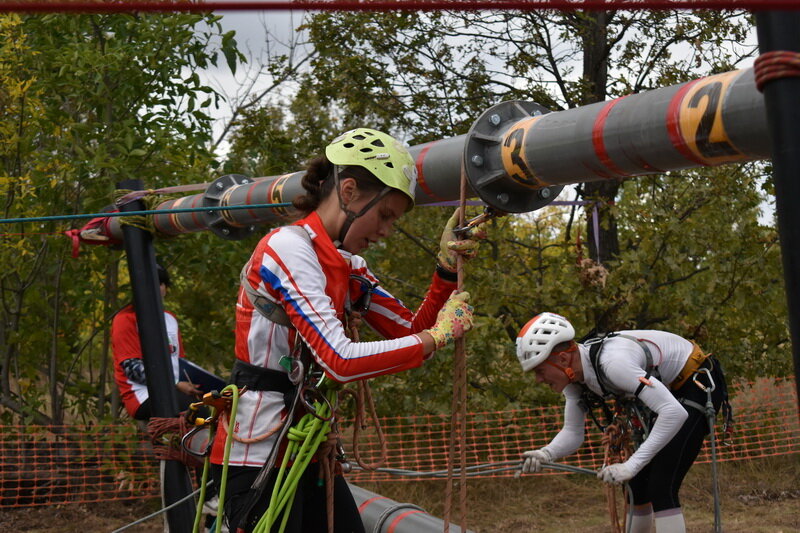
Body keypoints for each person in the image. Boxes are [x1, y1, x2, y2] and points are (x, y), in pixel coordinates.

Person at [209, 128, 480, 533]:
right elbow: (339, 361)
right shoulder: (287, 248)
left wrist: (444, 271)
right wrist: (435, 337)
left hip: (308, 449)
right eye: (385, 215)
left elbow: (409, 329)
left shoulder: (347, 265)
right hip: (258, 453)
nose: (387, 230)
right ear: (349, 191)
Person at [515, 312, 729, 533]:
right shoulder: (573, 380)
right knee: (635, 485)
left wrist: (630, 465)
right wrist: (545, 453)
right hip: (669, 390)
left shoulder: (614, 364)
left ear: (562, 359)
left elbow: (674, 413)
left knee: (661, 485)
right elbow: (573, 432)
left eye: (540, 370)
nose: (539, 379)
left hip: (695, 383)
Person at [112, 263, 202, 421]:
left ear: (165, 288)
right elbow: (132, 369)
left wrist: (196, 383)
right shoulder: (125, 319)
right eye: (149, 282)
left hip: (174, 390)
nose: (156, 287)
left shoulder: (170, 319)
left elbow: (180, 363)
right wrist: (175, 383)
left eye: (160, 283)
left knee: (218, 403)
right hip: (142, 394)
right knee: (197, 413)